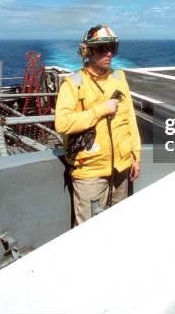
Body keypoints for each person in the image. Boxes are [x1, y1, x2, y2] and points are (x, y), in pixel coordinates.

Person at [55, 25, 141, 225]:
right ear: (88, 51)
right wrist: (100, 110)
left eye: (112, 47)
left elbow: (130, 119)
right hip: (91, 174)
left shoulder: (119, 78)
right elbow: (62, 123)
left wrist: (135, 156)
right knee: (88, 234)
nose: (109, 53)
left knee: (119, 226)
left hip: (121, 170)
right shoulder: (73, 83)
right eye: (102, 48)